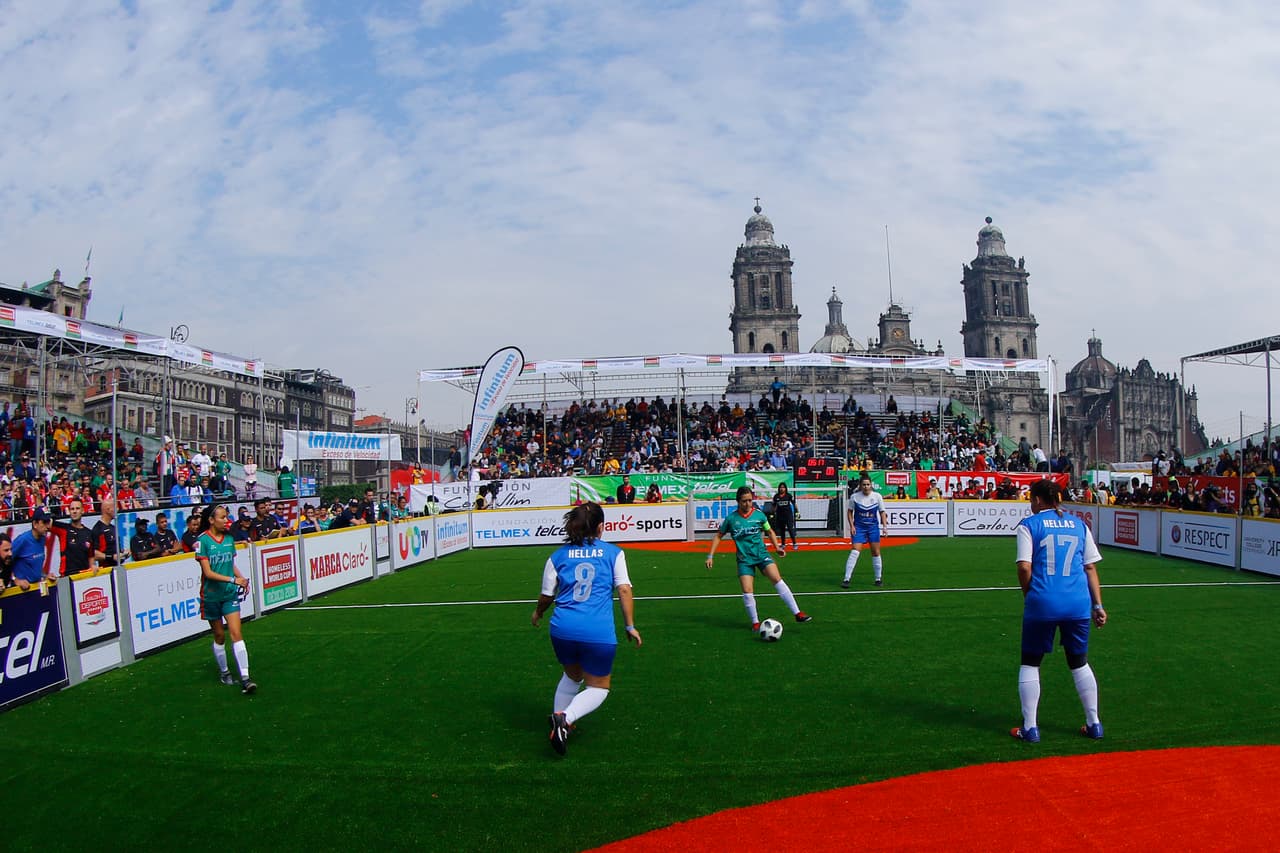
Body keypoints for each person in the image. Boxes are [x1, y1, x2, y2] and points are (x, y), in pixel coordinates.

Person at [531, 502, 641, 756]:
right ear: (601, 527)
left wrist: (538, 612)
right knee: (599, 687)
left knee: (572, 675)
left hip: (562, 629)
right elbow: (624, 589)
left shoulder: (557, 556)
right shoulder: (613, 553)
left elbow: (547, 595)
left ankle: (560, 726)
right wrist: (630, 626)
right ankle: (565, 718)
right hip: (597, 631)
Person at [1010, 479, 1106, 744]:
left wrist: (1030, 594)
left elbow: (1024, 567)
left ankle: (1030, 728)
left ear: (1039, 500)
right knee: (1079, 662)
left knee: (1031, 662)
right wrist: (1098, 605)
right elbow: (1090, 568)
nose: (1030, 503)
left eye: (1031, 499)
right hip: (1078, 603)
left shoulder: (1029, 525)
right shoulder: (1079, 525)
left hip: (1043, 601)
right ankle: (1094, 723)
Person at [705, 486, 811, 630]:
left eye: (750, 500)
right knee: (747, 590)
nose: (748, 504)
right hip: (744, 560)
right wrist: (710, 556)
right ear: (738, 501)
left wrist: (777, 547)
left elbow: (770, 531)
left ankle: (797, 613)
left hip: (761, 555)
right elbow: (718, 536)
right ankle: (755, 623)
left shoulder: (759, 515)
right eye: (744, 501)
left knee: (777, 579)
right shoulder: (731, 519)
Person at [194, 504, 257, 695]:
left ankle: (245, 677)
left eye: (227, 517)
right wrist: (233, 579)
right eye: (222, 517)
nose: (226, 520)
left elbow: (231, 563)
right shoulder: (202, 541)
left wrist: (241, 578)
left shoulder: (229, 538)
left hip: (229, 594)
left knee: (236, 634)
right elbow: (208, 572)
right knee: (219, 636)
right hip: (211, 596)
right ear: (211, 520)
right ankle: (224, 671)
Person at [843, 477, 889, 589]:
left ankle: (878, 578)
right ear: (860, 485)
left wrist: (884, 527)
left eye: (868, 484)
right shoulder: (854, 497)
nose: (866, 487)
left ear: (871, 485)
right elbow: (850, 512)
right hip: (859, 527)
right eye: (864, 485)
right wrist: (852, 526)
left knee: (876, 552)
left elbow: (882, 512)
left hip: (873, 528)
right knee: (855, 551)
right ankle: (846, 578)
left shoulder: (877, 496)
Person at [11, 507, 53, 590]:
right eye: (44, 522)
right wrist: (15, 580)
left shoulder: (42, 538)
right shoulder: (23, 540)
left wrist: (45, 576)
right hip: (21, 591)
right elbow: (3, 560)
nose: (48, 526)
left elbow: (36, 564)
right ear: (35, 524)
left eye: (49, 522)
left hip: (36, 588)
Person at [54, 497, 97, 576]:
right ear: (69, 511)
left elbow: (91, 556)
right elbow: (46, 520)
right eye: (72, 509)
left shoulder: (89, 533)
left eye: (77, 508)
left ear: (82, 511)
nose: (74, 511)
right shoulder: (63, 529)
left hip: (84, 576)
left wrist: (93, 566)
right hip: (67, 576)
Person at [93, 496, 128, 568]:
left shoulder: (113, 528)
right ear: (108, 510)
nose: (117, 510)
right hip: (106, 570)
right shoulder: (98, 529)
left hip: (118, 567)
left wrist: (124, 554)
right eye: (115, 507)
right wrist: (112, 557)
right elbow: (93, 553)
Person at [770, 482, 799, 551]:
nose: (782, 489)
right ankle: (783, 544)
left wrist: (797, 511)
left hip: (788, 515)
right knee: (782, 531)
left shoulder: (788, 496)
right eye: (781, 487)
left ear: (785, 488)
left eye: (783, 487)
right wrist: (772, 513)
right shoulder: (776, 496)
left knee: (790, 529)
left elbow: (794, 503)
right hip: (780, 516)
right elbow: (774, 506)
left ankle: (794, 543)